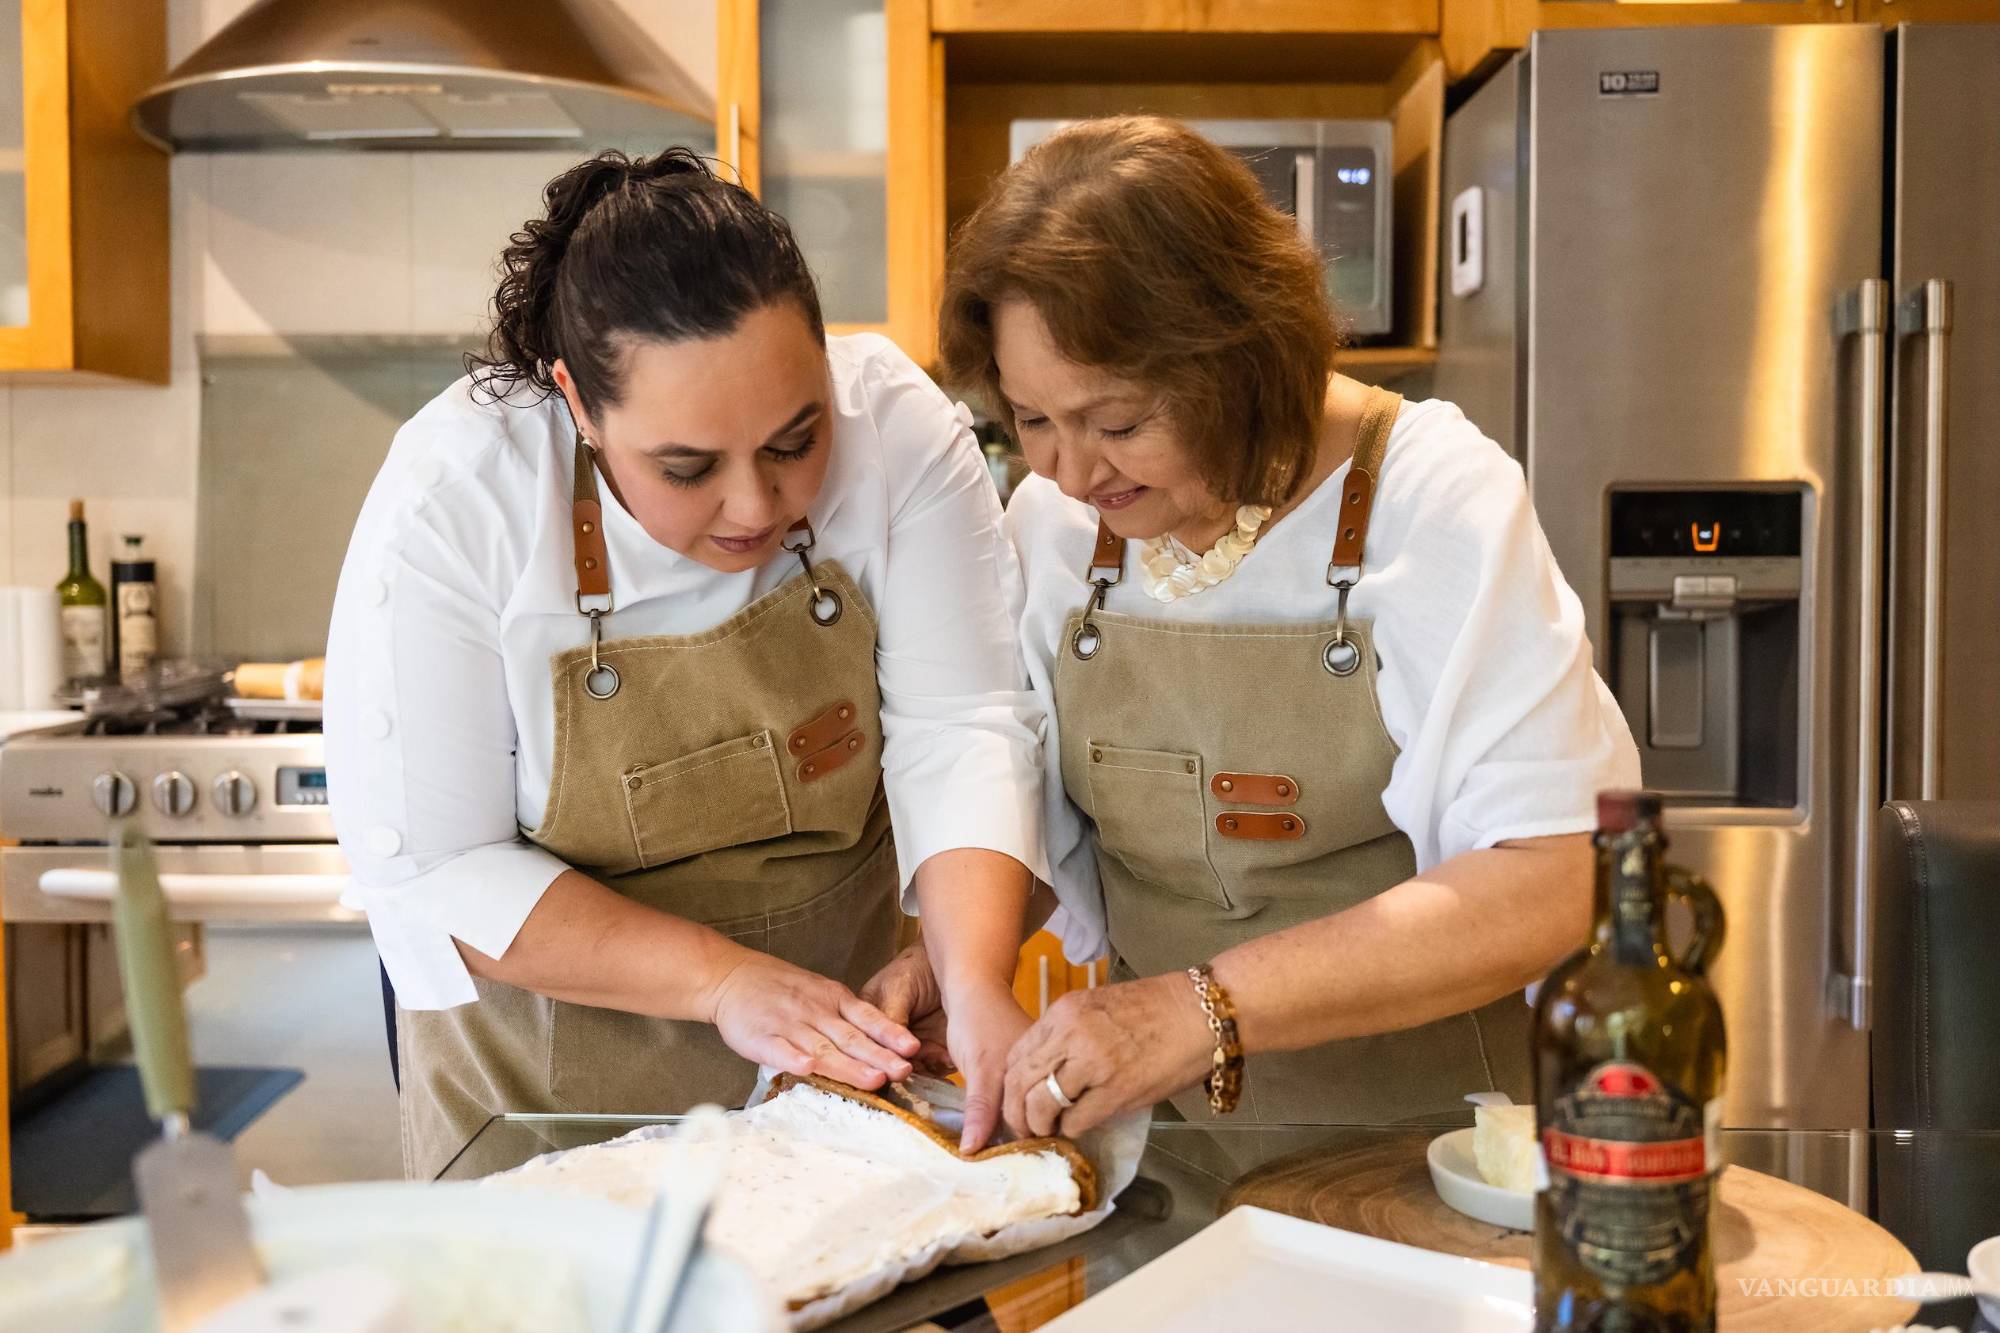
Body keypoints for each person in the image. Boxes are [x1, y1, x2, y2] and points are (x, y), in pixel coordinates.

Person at [325, 149, 1040, 1177]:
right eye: (688, 468)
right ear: (577, 403)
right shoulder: (457, 498)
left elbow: (960, 722)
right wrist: (722, 981)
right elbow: (442, 868)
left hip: (840, 1101)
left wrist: (971, 980)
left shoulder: (896, 431)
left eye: (794, 442)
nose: (754, 506)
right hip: (544, 1120)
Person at [932, 115, 1642, 1137]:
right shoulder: (1055, 527)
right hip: (1157, 1147)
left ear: (1242, 360)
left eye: (1119, 422)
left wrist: (1201, 1007)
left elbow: (1550, 881)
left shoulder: (1427, 495)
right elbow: (1039, 827)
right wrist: (955, 969)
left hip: (1420, 1147)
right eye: (1032, 420)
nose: (1072, 471)